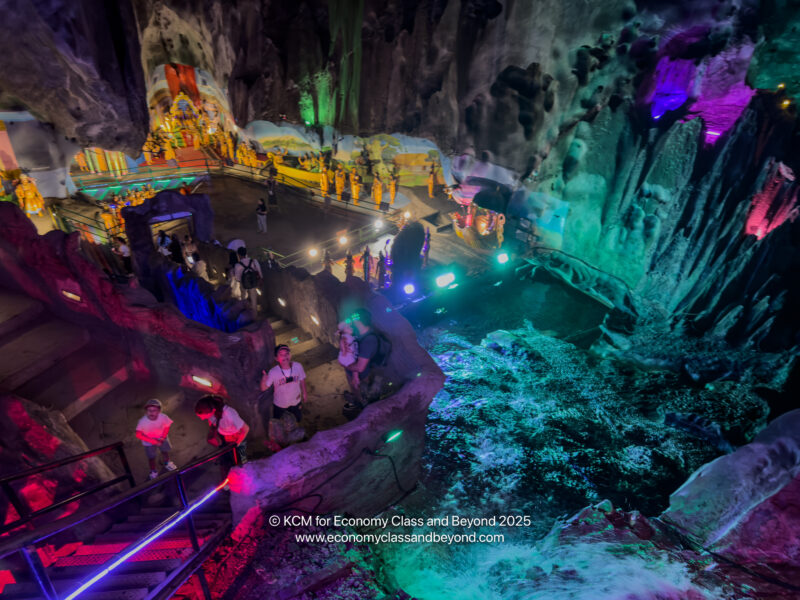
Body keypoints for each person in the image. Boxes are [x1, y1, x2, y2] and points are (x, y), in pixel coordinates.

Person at [343, 309, 386, 409]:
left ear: (359, 321)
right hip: (356, 372)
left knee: (360, 389)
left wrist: (346, 365)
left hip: (363, 373)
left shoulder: (368, 341)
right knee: (355, 386)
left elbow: (360, 367)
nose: (352, 320)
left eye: (354, 318)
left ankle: (362, 404)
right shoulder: (360, 333)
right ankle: (359, 399)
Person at [195, 395, 249, 468]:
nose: (201, 419)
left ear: (212, 411)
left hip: (236, 439)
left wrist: (236, 444)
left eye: (202, 416)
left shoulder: (229, 414)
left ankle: (242, 472)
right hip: (225, 438)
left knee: (240, 461)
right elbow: (213, 423)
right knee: (228, 460)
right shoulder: (212, 413)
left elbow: (246, 429)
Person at [260, 344, 307, 423]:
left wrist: (305, 393)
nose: (285, 356)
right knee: (278, 423)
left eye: (287, 354)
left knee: (297, 419)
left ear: (290, 355)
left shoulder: (298, 366)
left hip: (296, 401)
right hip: (280, 403)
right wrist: (263, 378)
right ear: (276, 358)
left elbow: (302, 379)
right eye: (281, 355)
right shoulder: (273, 372)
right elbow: (263, 388)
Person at [135, 398, 177, 479]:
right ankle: (153, 470)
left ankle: (167, 463)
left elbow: (167, 426)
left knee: (165, 451)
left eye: (154, 410)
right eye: (149, 410)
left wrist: (163, 437)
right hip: (148, 442)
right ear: (146, 411)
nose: (151, 412)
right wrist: (153, 441)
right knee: (151, 457)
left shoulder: (163, 417)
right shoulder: (142, 421)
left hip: (161, 438)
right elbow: (138, 434)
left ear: (159, 411)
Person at [233, 246, 262, 313]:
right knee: (254, 299)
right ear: (246, 253)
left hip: (243, 283)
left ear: (239, 255)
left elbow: (237, 278)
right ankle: (255, 314)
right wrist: (261, 279)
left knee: (243, 297)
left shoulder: (237, 265)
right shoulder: (253, 261)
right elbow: (258, 270)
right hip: (253, 282)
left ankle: (246, 312)